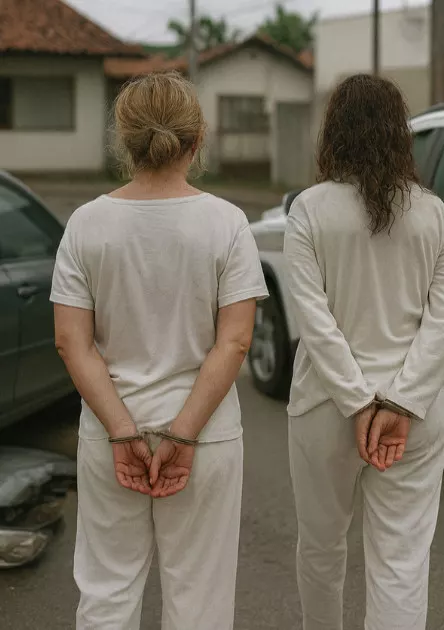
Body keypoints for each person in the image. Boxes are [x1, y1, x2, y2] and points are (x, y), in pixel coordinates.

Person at [51, 71, 268, 629]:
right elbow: (236, 340)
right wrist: (182, 433)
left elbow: (71, 342)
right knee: (200, 600)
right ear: (197, 140)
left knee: (106, 591)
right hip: (206, 434)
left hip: (109, 432)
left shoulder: (86, 224)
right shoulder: (228, 224)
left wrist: (123, 430)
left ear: (124, 140)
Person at [285, 74, 444, 629]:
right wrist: (401, 403)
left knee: (321, 548)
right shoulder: (434, 215)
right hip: (415, 420)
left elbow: (313, 320)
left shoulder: (308, 211)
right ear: (399, 134)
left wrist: (359, 403)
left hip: (325, 409)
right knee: (401, 562)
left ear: (333, 133)